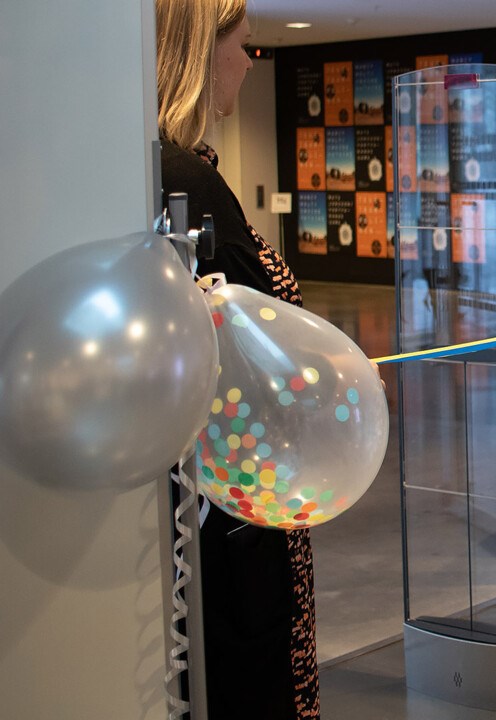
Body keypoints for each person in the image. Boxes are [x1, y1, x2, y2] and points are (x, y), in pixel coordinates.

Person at [155, 0, 320, 716]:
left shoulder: (164, 166)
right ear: (198, 51)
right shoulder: (183, 173)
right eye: (245, 45)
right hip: (228, 504)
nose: (251, 64)